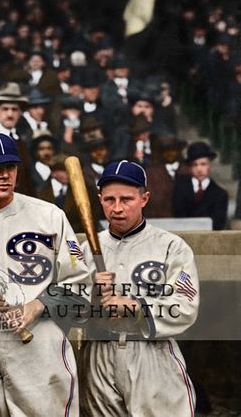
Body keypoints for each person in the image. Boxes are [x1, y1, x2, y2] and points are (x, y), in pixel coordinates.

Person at [0, 131, 91, 416]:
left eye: (10, 167)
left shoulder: (49, 216)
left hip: (38, 341)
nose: (4, 175)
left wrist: (38, 305)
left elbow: (80, 285)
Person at [83, 160, 199, 415]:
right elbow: (71, 308)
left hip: (151, 352)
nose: (117, 208)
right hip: (100, 352)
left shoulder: (171, 246)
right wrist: (91, 293)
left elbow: (186, 307)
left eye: (126, 199)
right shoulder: (87, 248)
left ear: (144, 199)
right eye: (109, 200)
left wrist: (134, 305)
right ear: (99, 199)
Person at [173, 142, 229, 230]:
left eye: (203, 164)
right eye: (195, 165)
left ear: (209, 165)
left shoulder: (220, 194)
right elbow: (178, 218)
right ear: (189, 167)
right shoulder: (180, 188)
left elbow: (218, 226)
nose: (199, 169)